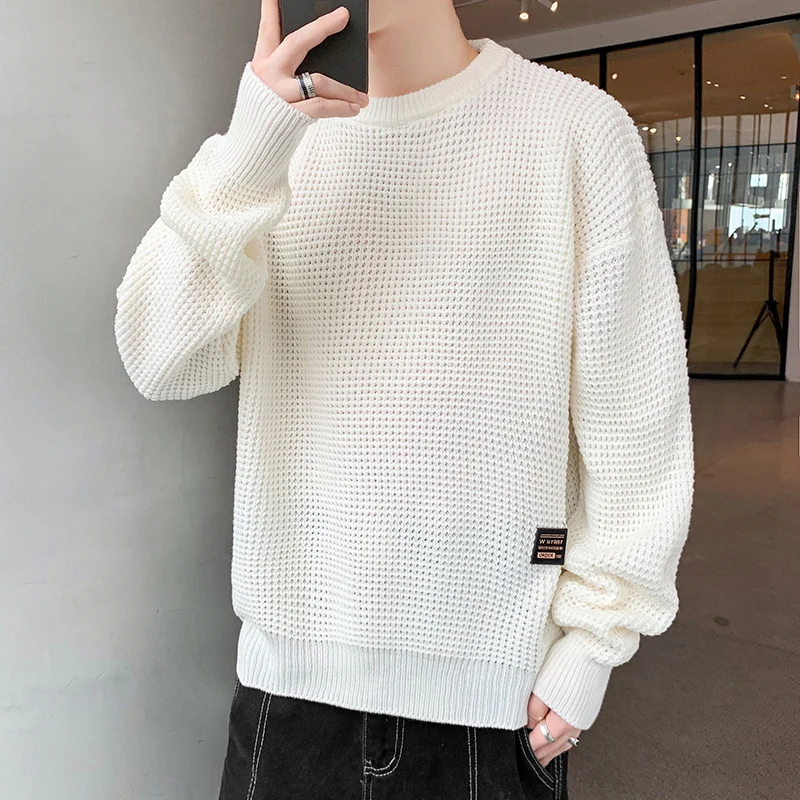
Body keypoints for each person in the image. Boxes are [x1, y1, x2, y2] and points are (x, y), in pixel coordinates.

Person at [113, 0, 695, 797]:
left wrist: (594, 644)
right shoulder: (273, 145)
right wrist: (249, 154)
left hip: (492, 711)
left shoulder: (576, 129)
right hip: (290, 700)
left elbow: (638, 426)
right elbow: (160, 359)